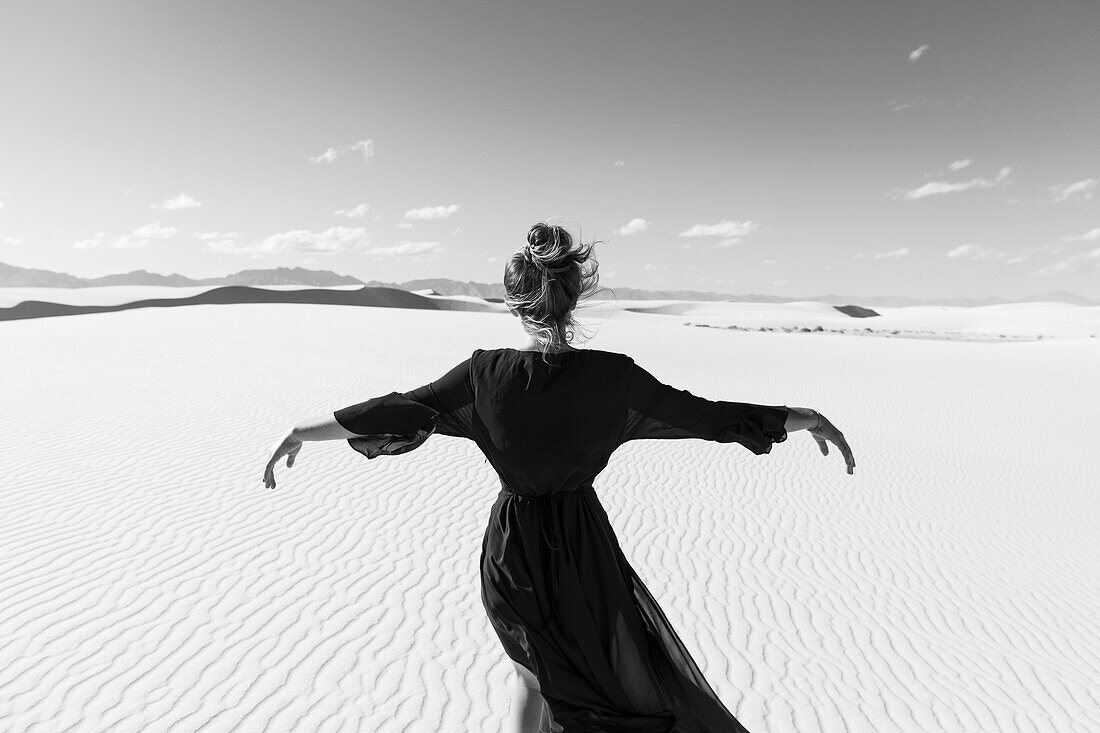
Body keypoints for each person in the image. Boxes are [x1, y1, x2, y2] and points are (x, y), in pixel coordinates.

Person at [263, 222, 856, 732]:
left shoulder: (481, 376)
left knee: (532, 674)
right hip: (582, 549)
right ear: (575, 299)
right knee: (608, 674)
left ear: (514, 302)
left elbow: (395, 409)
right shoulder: (615, 380)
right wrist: (800, 418)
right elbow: (704, 416)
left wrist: (301, 430)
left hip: (513, 549)